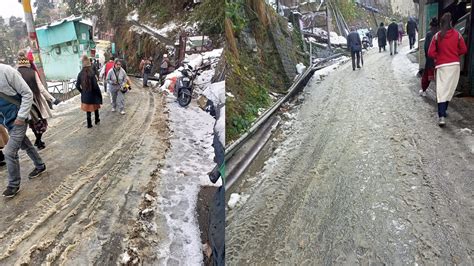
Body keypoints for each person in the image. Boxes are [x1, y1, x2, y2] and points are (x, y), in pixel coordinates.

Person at [0, 63, 46, 198]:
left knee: (9, 152)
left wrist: (21, 117)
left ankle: (13, 184)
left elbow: (27, 93)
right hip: (8, 121)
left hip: (19, 119)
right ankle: (40, 165)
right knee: (25, 144)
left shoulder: (6, 71)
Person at [428, 12, 467, 127]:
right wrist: (455, 54)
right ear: (451, 23)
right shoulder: (458, 35)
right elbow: (464, 49)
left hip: (442, 66)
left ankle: (441, 117)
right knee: (449, 89)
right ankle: (444, 110)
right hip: (454, 66)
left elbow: (430, 53)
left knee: (441, 90)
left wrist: (438, 57)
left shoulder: (437, 36)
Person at [17, 51, 59, 150]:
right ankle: (39, 141)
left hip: (23, 102)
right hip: (36, 101)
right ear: (27, 62)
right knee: (40, 122)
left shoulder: (16, 73)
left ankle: (38, 140)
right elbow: (41, 89)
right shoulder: (33, 72)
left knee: (33, 122)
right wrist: (52, 99)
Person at [76, 55, 103, 128]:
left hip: (85, 96)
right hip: (93, 95)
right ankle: (97, 120)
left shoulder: (80, 74)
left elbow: (77, 86)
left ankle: (89, 124)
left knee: (88, 111)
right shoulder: (91, 73)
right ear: (89, 65)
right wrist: (98, 93)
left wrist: (82, 92)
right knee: (96, 108)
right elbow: (95, 86)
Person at [420, 17, 439, 97]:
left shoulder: (429, 34)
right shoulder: (441, 33)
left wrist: (427, 57)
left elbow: (426, 47)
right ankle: (440, 94)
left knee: (427, 77)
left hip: (430, 59)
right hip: (439, 60)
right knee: (439, 78)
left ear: (431, 26)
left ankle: (423, 90)